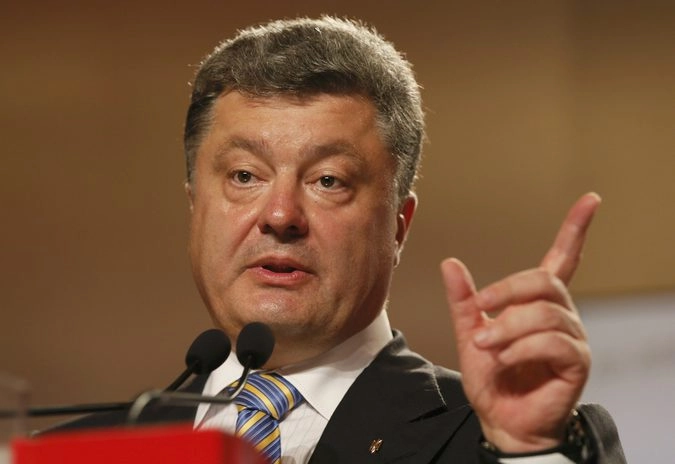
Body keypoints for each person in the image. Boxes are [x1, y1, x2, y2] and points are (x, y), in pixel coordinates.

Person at [55, 16, 625, 463]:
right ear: (194, 207)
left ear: (398, 225)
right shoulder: (75, 453)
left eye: (328, 181)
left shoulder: (499, 437)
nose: (280, 215)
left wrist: (530, 453)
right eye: (245, 176)